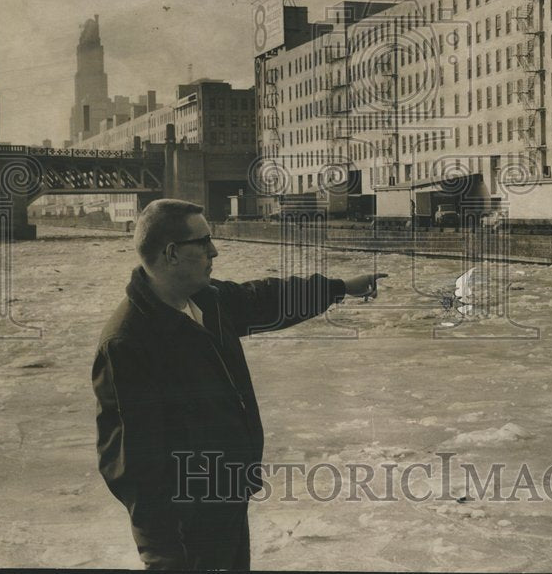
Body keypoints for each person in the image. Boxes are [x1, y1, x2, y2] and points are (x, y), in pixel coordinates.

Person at [92, 198, 386, 570]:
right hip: (187, 528)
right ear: (171, 254)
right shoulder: (128, 342)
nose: (214, 251)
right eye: (203, 242)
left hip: (226, 500)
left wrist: (339, 287)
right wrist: (162, 555)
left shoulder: (204, 301)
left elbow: (266, 299)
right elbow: (133, 465)